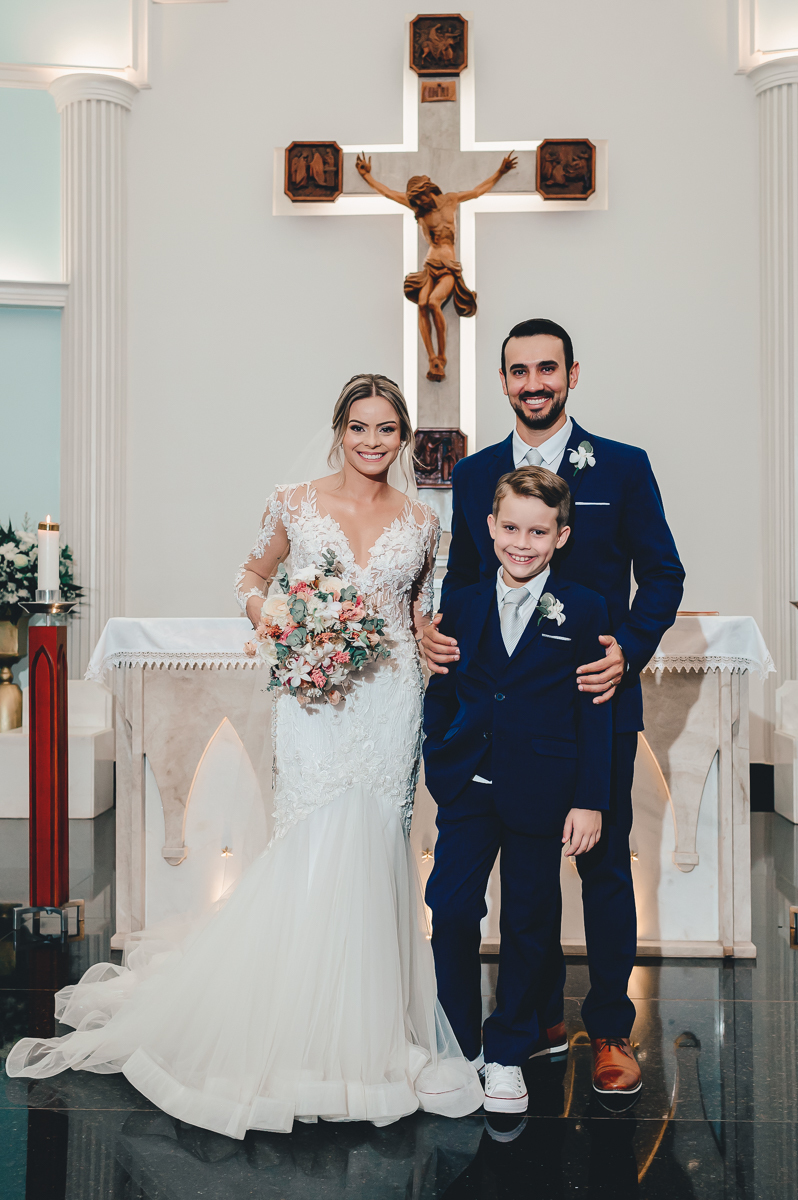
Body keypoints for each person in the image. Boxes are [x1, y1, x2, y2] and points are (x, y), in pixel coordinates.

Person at [7, 373, 484, 1136]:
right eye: (359, 427)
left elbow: (422, 612)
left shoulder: (426, 522)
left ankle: (372, 1029)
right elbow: (249, 576)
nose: (372, 441)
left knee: (376, 841)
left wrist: (429, 637)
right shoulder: (293, 501)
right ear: (339, 430)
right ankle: (295, 1023)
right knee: (315, 838)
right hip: (315, 699)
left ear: (402, 438)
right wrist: (284, 622)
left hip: (391, 697)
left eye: (386, 430)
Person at [421, 318, 685, 1101]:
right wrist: (438, 638)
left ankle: (608, 1026)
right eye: (518, 371)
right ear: (502, 381)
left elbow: (662, 572)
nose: (533, 382)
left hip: (591, 698)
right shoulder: (475, 477)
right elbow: (465, 581)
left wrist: (626, 649)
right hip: (497, 716)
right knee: (517, 880)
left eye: (547, 369)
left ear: (572, 374)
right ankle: (526, 1017)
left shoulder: (624, 467)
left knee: (600, 863)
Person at [423, 466, 612, 1114]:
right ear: (489, 527)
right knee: (449, 907)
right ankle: (457, 1042)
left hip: (544, 789)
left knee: (530, 921)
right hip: (468, 786)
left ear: (561, 536)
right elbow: (443, 689)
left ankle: (506, 1053)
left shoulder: (584, 608)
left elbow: (595, 711)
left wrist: (590, 798)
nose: (522, 542)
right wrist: (439, 754)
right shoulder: (465, 602)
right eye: (511, 528)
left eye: (538, 531)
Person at [355, 153, 517, 382]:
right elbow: (388, 193)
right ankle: (432, 357)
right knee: (422, 303)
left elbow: (477, 191)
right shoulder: (417, 208)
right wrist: (366, 176)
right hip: (431, 263)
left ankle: (442, 354)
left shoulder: (451, 200)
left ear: (428, 190)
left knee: (433, 302)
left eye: (420, 198)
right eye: (416, 201)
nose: (418, 204)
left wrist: (500, 172)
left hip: (449, 265)